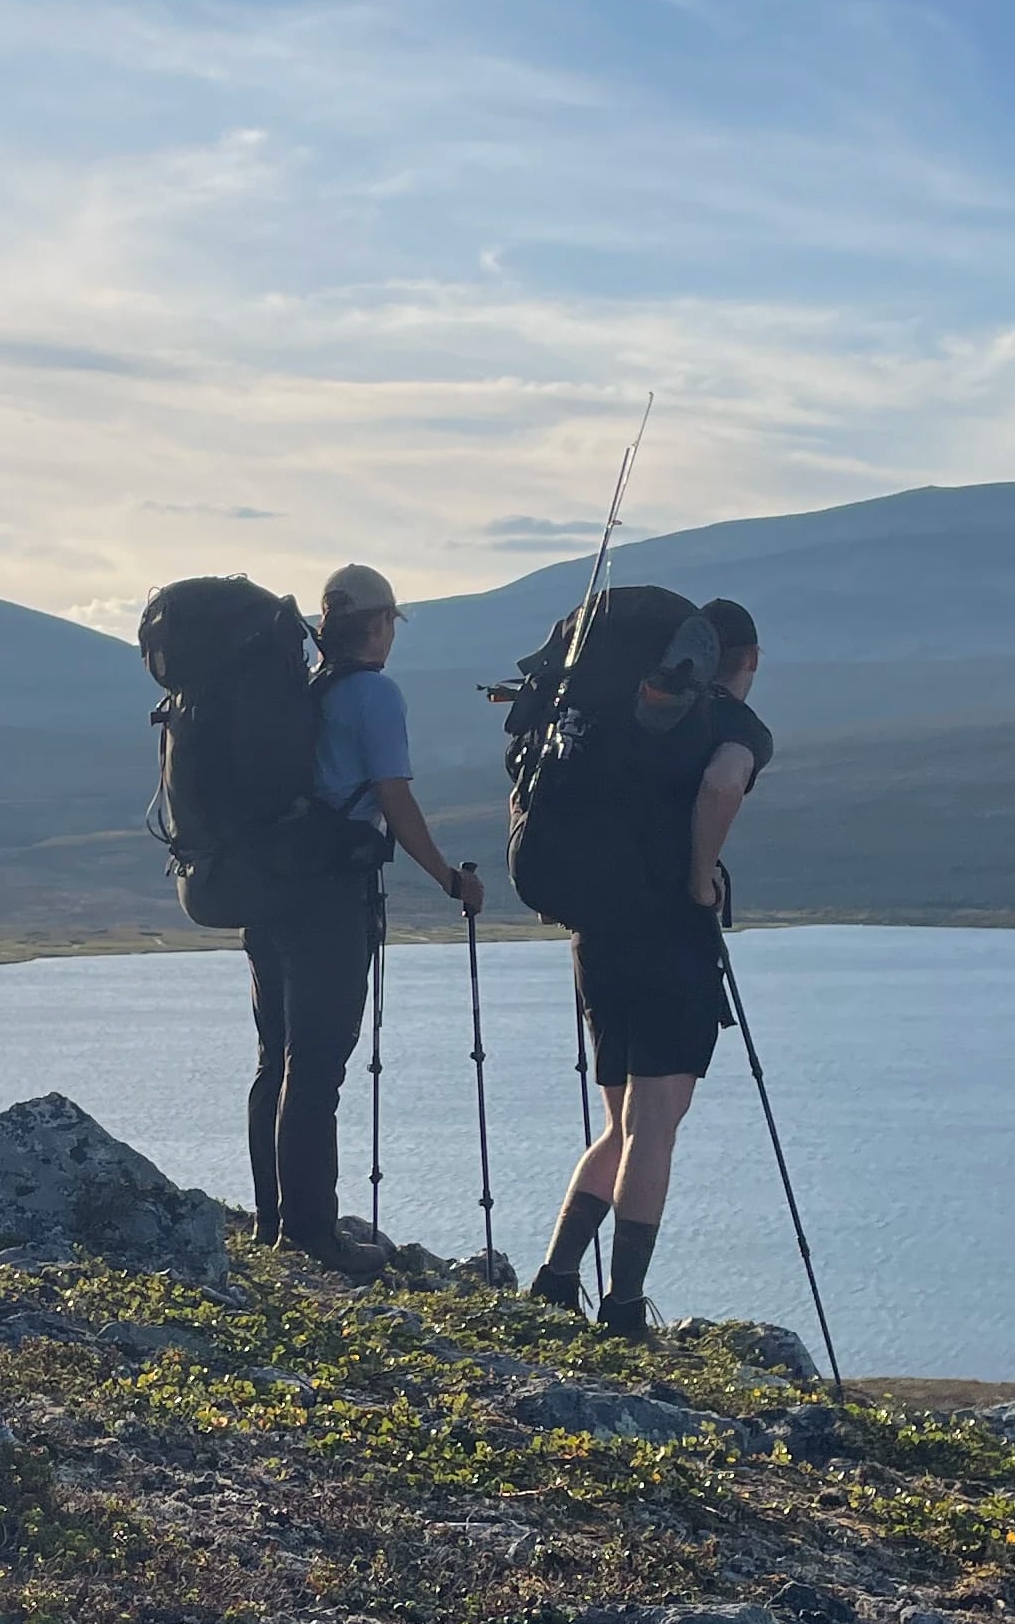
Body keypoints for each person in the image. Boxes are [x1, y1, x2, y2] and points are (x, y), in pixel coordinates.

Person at [530, 597, 771, 1336]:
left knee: (622, 1121)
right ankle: (625, 1305)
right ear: (748, 663)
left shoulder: (620, 716)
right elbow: (723, 784)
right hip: (670, 934)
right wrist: (701, 879)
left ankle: (555, 1276)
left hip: (597, 933)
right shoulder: (734, 726)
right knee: (656, 1125)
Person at [244, 562, 486, 1278]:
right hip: (330, 897)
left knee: (276, 1058)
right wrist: (450, 879)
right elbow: (395, 800)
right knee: (316, 1064)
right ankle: (313, 1234)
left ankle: (271, 1220)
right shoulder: (375, 695)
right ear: (380, 626)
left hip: (268, 892)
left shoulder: (294, 695)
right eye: (390, 624)